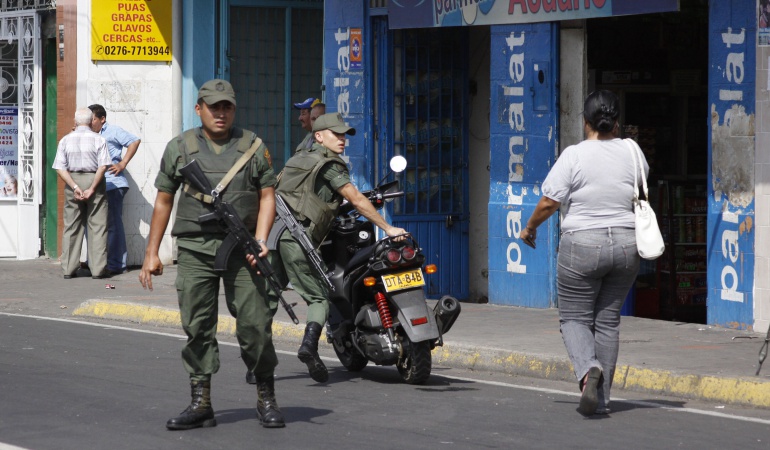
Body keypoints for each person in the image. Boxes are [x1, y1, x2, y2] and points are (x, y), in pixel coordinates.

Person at [139, 79, 285, 429]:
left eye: (227, 107)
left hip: (243, 250)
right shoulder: (180, 147)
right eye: (213, 106)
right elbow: (163, 199)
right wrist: (151, 253)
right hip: (195, 249)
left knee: (255, 326)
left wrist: (262, 239)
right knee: (197, 326)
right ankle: (201, 402)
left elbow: (267, 195)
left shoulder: (253, 146)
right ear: (198, 108)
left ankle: (266, 395)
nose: (220, 113)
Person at [250, 112, 407, 383]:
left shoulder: (296, 160)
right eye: (336, 134)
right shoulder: (330, 165)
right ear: (319, 136)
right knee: (319, 297)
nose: (342, 139)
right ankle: (309, 346)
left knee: (268, 299)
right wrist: (388, 228)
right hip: (296, 239)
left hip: (274, 235)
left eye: (344, 134)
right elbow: (355, 198)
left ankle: (257, 364)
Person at [519, 90, 645, 416]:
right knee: (608, 322)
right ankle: (601, 401)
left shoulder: (574, 155)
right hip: (628, 245)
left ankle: (589, 371)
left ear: (585, 122)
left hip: (582, 244)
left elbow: (550, 201)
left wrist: (530, 228)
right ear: (616, 122)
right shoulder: (633, 151)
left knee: (575, 318)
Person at [53, 108, 112, 280]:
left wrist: (74, 186)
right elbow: (103, 166)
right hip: (94, 179)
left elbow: (60, 167)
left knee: (71, 226)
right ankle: (98, 269)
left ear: (75, 121)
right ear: (92, 120)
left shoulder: (65, 140)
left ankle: (68, 268)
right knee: (98, 226)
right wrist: (92, 188)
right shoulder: (99, 139)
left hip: (73, 179)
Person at [88, 104, 141, 275]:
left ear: (102, 119)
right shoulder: (89, 134)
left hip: (113, 184)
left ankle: (117, 264)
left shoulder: (113, 131)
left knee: (113, 225)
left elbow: (134, 141)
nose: (90, 123)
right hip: (94, 185)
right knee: (96, 225)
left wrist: (123, 163)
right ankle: (95, 261)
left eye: (93, 119)